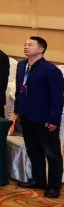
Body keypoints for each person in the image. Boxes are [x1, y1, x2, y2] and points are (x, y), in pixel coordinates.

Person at [14, 36, 64, 198]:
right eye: (25, 44)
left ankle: (54, 186)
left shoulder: (50, 70)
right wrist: (17, 111)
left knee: (52, 153)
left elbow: (57, 97)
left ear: (41, 49)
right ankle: (39, 179)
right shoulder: (22, 65)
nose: (26, 47)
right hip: (26, 115)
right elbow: (19, 90)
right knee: (33, 150)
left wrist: (54, 119)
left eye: (30, 45)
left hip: (45, 119)